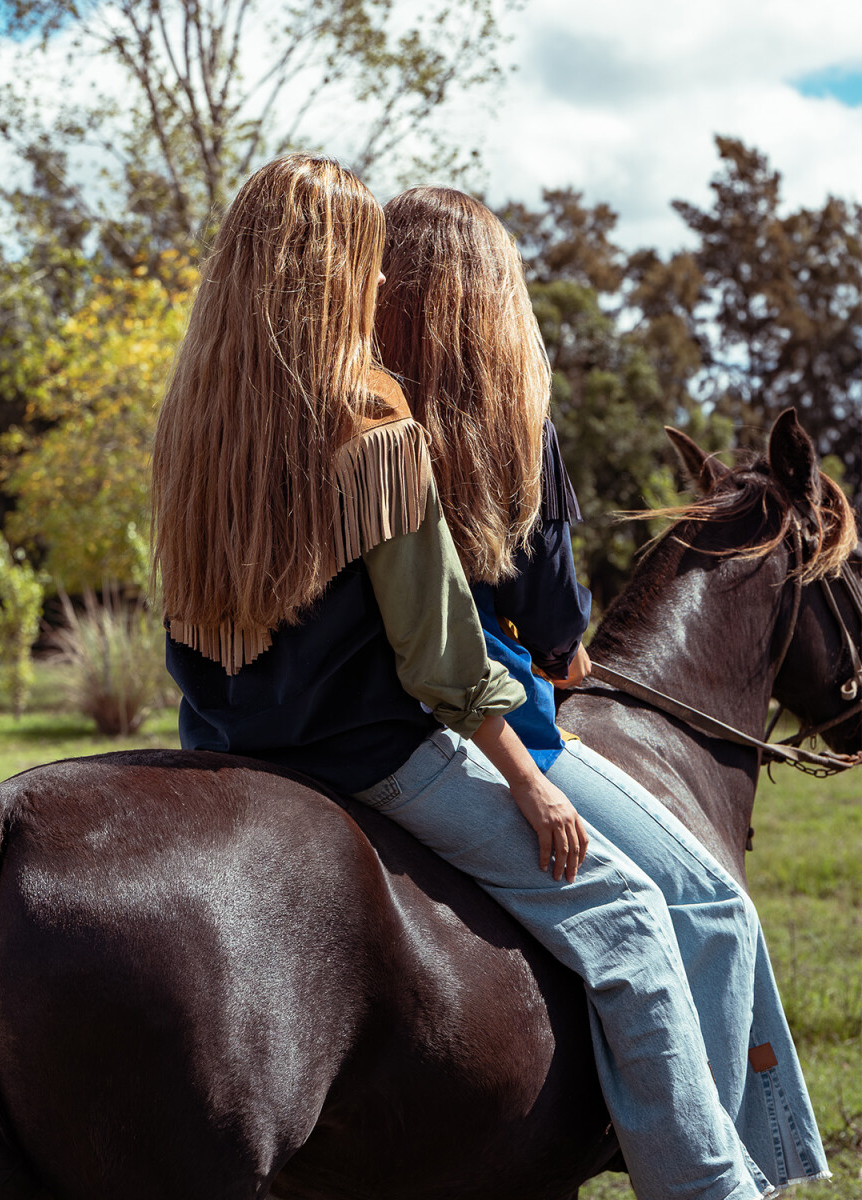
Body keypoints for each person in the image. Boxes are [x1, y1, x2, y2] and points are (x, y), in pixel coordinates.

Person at [153, 152, 770, 1200]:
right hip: (373, 755)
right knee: (628, 920)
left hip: (223, 744)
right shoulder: (374, 426)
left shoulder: (199, 426)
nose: (385, 284)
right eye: (367, 260)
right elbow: (440, 654)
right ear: (336, 268)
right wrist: (529, 781)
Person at [374, 184, 830, 1196]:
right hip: (486, 730)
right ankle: (726, 1173)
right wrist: (563, 650)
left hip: (356, 715)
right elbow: (556, 634)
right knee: (711, 909)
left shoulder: (351, 410)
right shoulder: (508, 423)